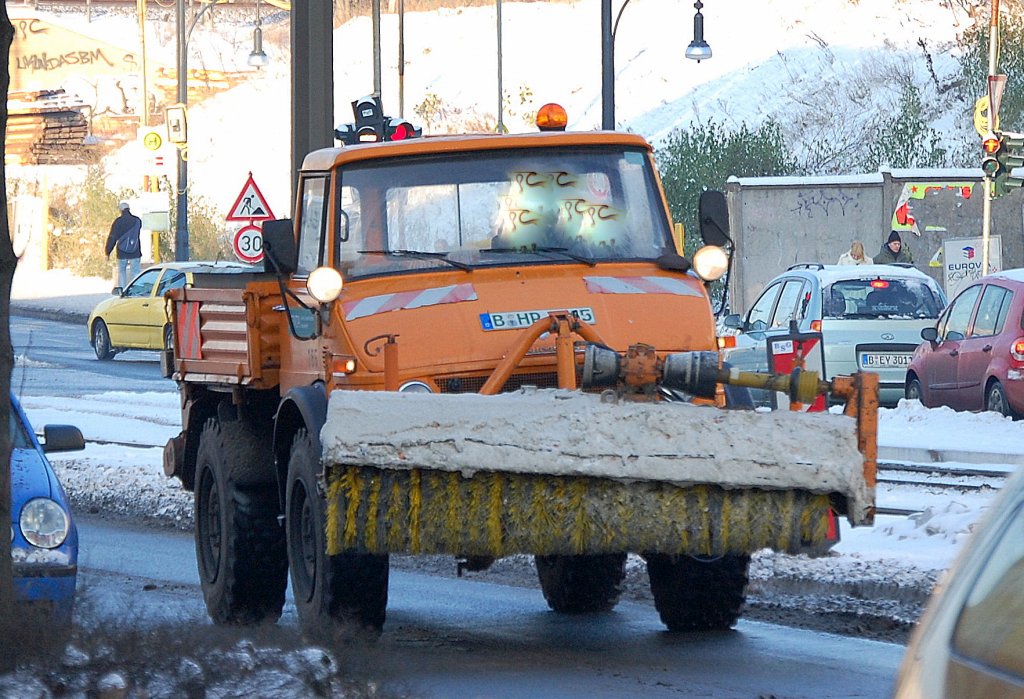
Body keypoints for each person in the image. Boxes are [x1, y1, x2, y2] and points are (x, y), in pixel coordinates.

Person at [104, 201, 143, 287]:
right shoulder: (137, 221)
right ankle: (136, 290)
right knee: (135, 272)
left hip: (122, 252)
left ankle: (121, 291)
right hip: (135, 250)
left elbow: (112, 237)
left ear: (121, 210)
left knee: (121, 272)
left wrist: (108, 252)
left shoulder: (118, 222)